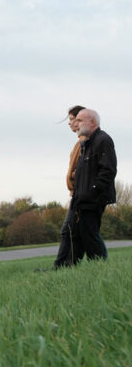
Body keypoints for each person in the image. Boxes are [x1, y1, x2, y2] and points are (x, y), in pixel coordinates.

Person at [70, 109, 117, 264]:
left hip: (93, 199)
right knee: (83, 234)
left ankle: (98, 266)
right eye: (76, 120)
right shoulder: (87, 143)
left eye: (80, 120)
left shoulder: (103, 140)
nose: (76, 124)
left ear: (92, 122)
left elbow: (108, 170)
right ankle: (70, 266)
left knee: (90, 234)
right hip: (82, 199)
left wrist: (93, 191)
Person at [52, 105, 86, 269]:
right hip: (76, 193)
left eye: (72, 119)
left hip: (81, 193)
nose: (70, 123)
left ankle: (61, 266)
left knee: (69, 231)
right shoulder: (78, 143)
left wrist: (76, 175)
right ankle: (66, 265)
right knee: (73, 232)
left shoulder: (85, 142)